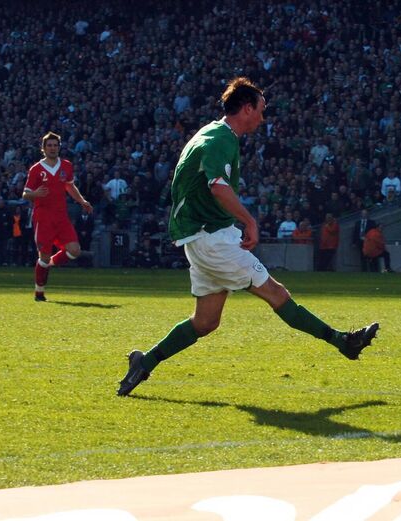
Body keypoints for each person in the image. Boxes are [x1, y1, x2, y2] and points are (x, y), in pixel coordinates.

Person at [118, 78, 379, 397]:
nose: (263, 118)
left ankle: (145, 361)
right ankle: (343, 342)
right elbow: (217, 185)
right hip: (211, 239)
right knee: (276, 293)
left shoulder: (209, 133)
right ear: (246, 108)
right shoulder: (221, 139)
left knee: (205, 322)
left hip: (202, 237)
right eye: (261, 110)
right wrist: (249, 220)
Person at [22, 131, 94, 301]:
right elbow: (25, 193)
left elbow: (69, 187)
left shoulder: (67, 166)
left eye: (55, 145)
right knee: (43, 257)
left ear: (59, 147)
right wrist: (36, 194)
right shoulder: (36, 169)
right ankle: (39, 292)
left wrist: (82, 201)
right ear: (43, 148)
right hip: (43, 218)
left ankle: (50, 264)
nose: (53, 148)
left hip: (61, 217)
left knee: (75, 251)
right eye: (49, 145)